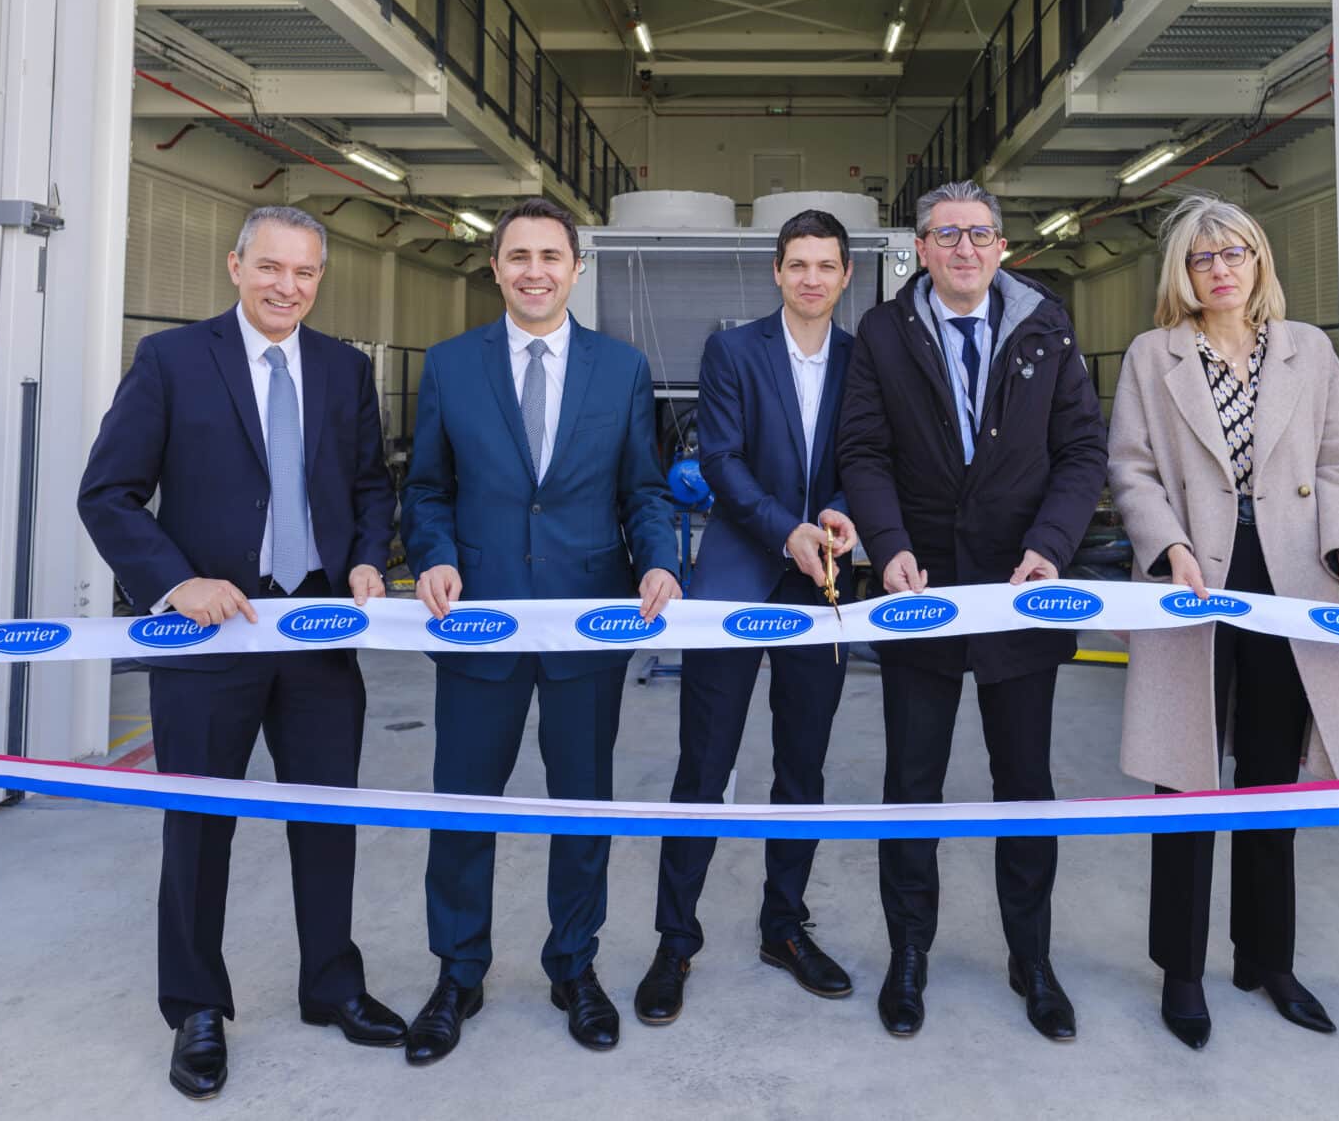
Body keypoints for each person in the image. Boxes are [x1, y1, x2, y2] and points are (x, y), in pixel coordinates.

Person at [77, 205, 404, 1100]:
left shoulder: (343, 369)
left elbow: (370, 484)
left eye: (303, 272)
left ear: (319, 278)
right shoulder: (172, 361)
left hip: (317, 635)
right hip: (208, 636)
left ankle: (331, 986)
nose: (285, 287)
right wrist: (175, 582)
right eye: (270, 267)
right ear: (235, 266)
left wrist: (368, 557)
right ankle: (195, 1009)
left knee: (326, 817)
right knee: (199, 827)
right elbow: (108, 493)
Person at [400, 197, 681, 1063]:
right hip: (477, 620)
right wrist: (435, 555)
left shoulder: (621, 369)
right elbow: (427, 488)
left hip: (586, 624)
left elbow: (644, 490)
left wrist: (660, 561)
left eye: (550, 256)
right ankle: (458, 973)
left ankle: (574, 967)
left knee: (582, 805)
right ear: (495, 268)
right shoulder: (450, 366)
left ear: (575, 268)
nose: (534, 271)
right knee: (463, 806)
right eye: (517, 256)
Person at [1107, 195, 1339, 1051]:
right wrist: (1168, 547)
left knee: (1271, 777)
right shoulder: (1153, 354)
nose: (1220, 269)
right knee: (1184, 776)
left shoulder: (1309, 349)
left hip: (1292, 579)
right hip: (1194, 578)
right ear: (1183, 274)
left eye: (1234, 253)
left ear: (1260, 261)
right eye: (1203, 258)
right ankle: (1181, 969)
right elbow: (1132, 469)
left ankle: (1267, 960)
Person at [837, 179, 1106, 1042]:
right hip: (919, 591)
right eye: (946, 234)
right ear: (920, 249)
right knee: (912, 785)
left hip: (1020, 588)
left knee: (1024, 785)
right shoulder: (883, 333)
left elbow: (1082, 451)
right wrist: (887, 544)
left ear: (1002, 247)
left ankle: (1033, 959)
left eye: (979, 234)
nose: (964, 248)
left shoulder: (1046, 325)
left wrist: (1052, 544)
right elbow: (863, 451)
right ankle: (909, 953)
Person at [634, 209, 861, 1025]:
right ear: (777, 271)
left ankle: (784, 928)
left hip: (821, 580)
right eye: (797, 264)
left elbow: (867, 457)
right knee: (704, 765)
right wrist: (785, 529)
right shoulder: (733, 352)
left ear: (845, 276)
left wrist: (839, 512)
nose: (811, 278)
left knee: (803, 766)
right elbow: (720, 460)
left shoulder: (861, 360)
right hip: (735, 577)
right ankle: (674, 941)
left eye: (825, 265)